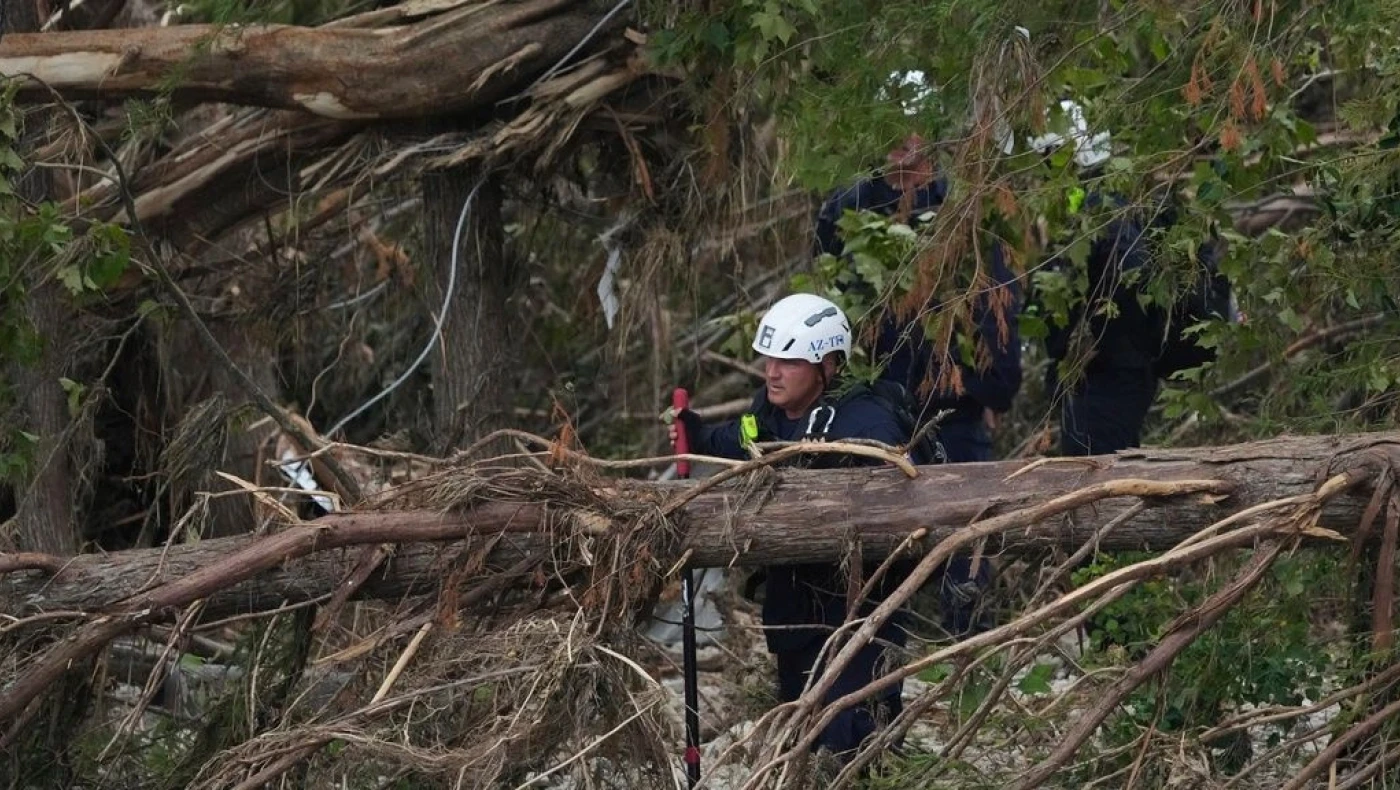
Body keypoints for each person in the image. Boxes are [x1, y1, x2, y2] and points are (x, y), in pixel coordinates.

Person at [668, 293, 917, 762]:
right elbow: (746, 437)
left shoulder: (867, 418)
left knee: (853, 737)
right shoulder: (770, 411)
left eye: (789, 362)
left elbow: (899, 492)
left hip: (856, 611)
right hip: (794, 608)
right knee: (802, 727)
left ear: (826, 365)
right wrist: (697, 432)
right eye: (769, 360)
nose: (772, 372)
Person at [814, 73, 1022, 634]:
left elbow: (997, 302)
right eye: (889, 128)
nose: (901, 145)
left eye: (911, 129)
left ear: (929, 137)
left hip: (953, 397)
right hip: (875, 399)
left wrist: (992, 387)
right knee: (875, 542)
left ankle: (967, 663)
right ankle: (877, 659)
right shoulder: (845, 211)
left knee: (967, 536)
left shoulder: (962, 210)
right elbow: (829, 298)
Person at [1030, 100, 1234, 456]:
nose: (1045, 167)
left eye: (1050, 155)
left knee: (1095, 479)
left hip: (1110, 374)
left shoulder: (1105, 207)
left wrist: (1093, 337)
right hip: (1108, 372)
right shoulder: (1095, 199)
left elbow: (1131, 276)